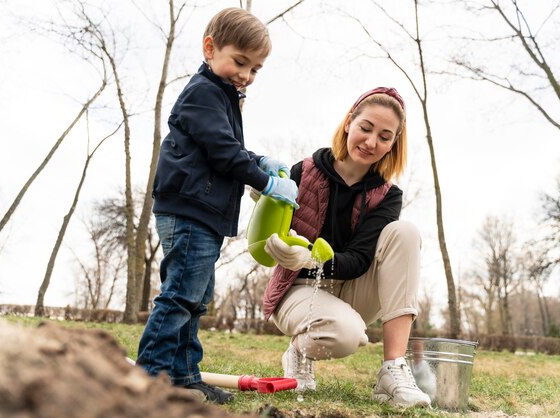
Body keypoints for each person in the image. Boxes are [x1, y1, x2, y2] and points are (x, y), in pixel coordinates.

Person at [136, 7, 298, 404]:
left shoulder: (222, 95)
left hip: (203, 213)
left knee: (195, 298)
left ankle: (184, 377)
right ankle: (146, 380)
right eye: (240, 62)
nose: (246, 75)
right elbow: (223, 152)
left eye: (256, 69)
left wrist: (259, 161)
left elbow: (230, 148)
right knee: (180, 296)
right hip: (189, 210)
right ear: (210, 48)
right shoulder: (204, 92)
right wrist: (266, 183)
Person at [262, 87, 432, 407]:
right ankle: (299, 351)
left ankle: (392, 369)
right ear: (348, 123)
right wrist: (266, 211)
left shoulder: (387, 195)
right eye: (365, 128)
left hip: (351, 286)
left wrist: (312, 257)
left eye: (384, 136)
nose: (371, 142)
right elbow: (267, 239)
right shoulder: (303, 172)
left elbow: (358, 260)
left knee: (405, 233)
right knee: (346, 337)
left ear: (393, 144)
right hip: (297, 289)